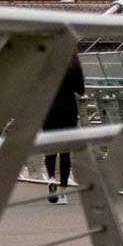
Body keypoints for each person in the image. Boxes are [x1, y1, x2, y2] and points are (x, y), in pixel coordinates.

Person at [45, 51, 86, 204]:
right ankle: (63, 193)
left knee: (49, 147)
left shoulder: (46, 62)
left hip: (49, 108)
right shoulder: (74, 64)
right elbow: (81, 90)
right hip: (68, 108)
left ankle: (51, 178)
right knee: (65, 152)